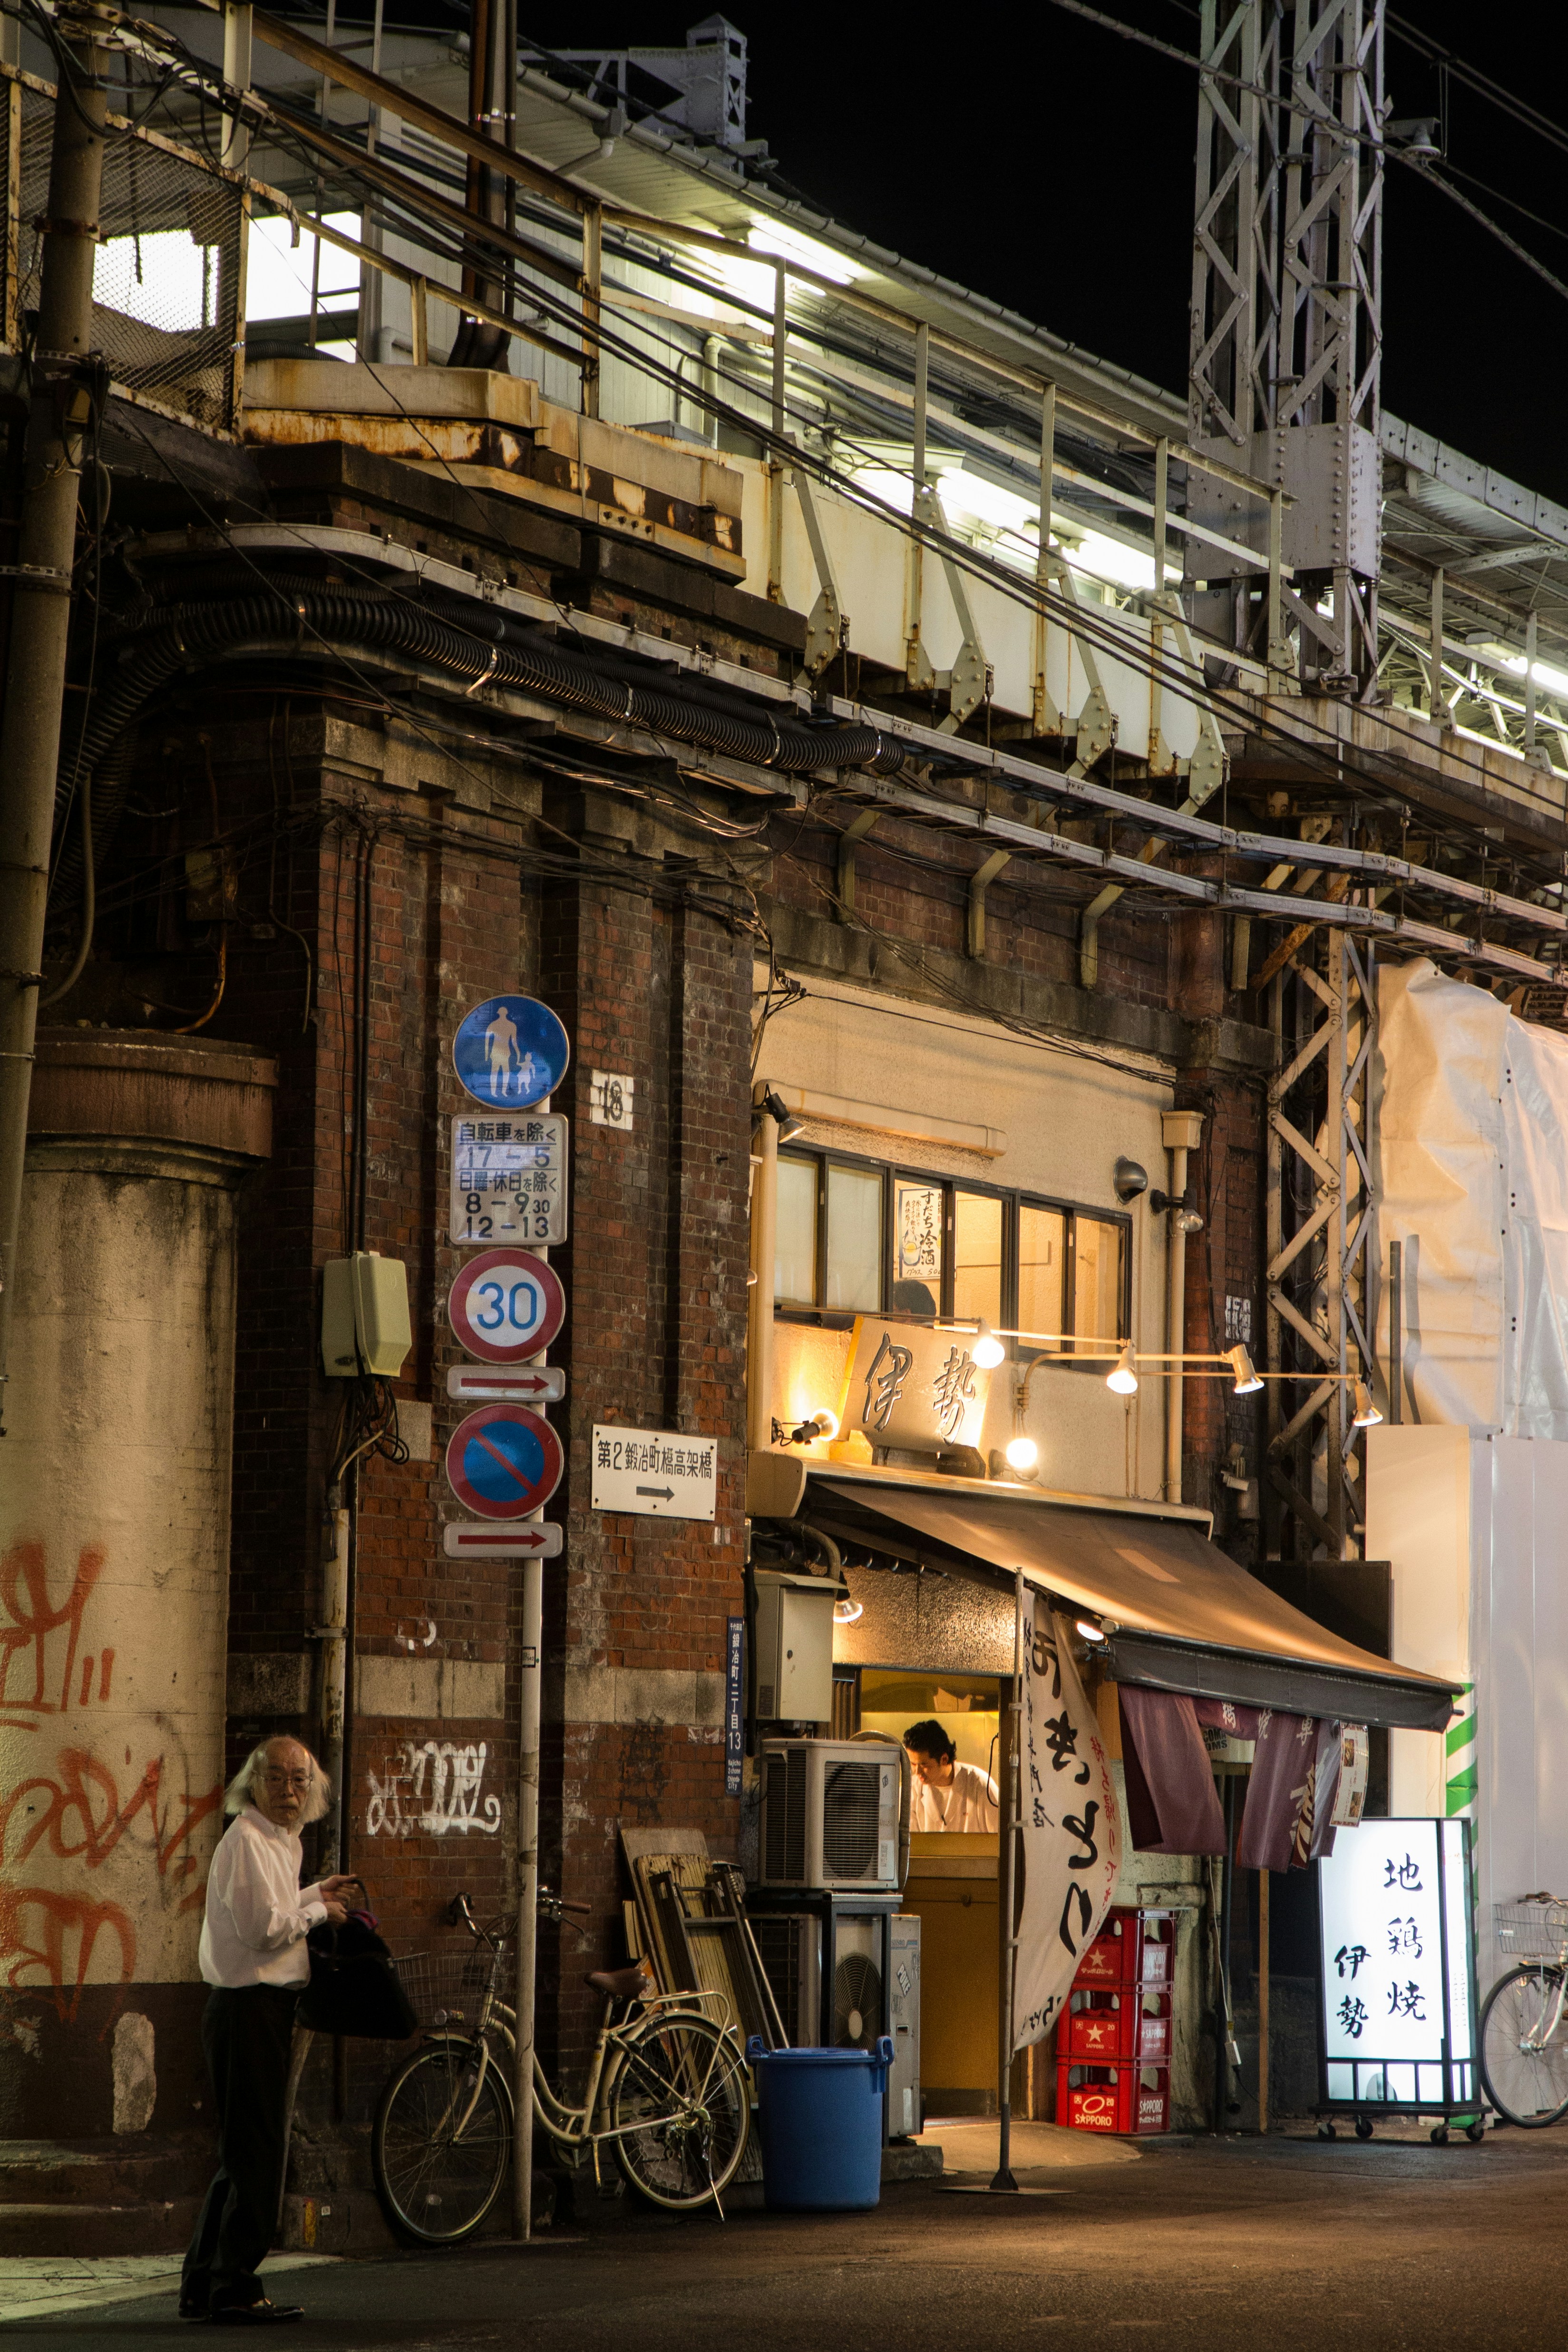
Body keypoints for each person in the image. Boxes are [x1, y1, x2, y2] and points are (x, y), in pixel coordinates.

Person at [180, 1737, 357, 2325]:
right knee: (256, 2154)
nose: (289, 1791)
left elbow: (269, 1910)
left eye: (300, 1780)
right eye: (276, 1778)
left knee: (242, 2152)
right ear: (252, 1784)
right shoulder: (250, 1840)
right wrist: (317, 1914)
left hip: (257, 2011)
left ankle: (206, 2284)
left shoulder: (283, 1841)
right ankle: (234, 2286)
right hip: (247, 2010)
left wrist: (312, 1894)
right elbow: (262, 1931)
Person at [904, 1719, 1000, 1832]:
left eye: (924, 1765)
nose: (917, 1771)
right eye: (913, 1764)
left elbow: (999, 1839)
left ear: (944, 1759)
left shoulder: (981, 1785)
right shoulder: (910, 1790)